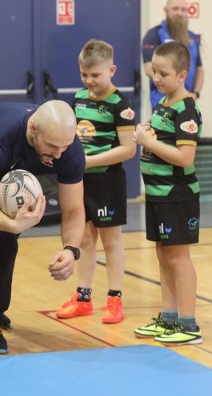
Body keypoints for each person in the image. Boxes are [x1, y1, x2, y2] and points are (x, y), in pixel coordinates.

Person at [0, 100, 86, 354]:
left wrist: (71, 249)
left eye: (65, 147)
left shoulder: (68, 147)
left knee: (0, 239)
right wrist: (12, 225)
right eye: (52, 147)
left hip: (14, 171)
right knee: (2, 244)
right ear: (33, 128)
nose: (59, 155)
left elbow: (74, 209)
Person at [54, 39, 136, 324]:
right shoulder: (77, 99)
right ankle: (83, 297)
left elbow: (128, 149)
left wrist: (89, 161)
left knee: (111, 241)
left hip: (108, 182)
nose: (89, 81)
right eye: (84, 74)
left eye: (96, 75)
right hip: (80, 182)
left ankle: (114, 299)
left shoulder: (121, 105)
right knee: (85, 239)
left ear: (112, 70)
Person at [132, 41, 203, 346]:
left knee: (178, 257)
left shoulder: (186, 108)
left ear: (182, 74)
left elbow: (185, 157)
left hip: (177, 195)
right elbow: (165, 140)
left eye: (163, 73)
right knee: (163, 255)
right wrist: (149, 131)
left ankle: (188, 324)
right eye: (154, 72)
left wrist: (147, 143)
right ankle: (170, 317)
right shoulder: (165, 103)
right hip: (158, 194)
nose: (157, 78)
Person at [142, 0, 204, 110]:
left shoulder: (192, 37)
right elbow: (149, 69)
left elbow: (199, 69)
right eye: (175, 9)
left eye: (183, 9)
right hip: (162, 102)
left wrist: (195, 93)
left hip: (187, 103)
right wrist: (176, 92)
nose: (179, 13)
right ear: (166, 10)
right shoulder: (153, 35)